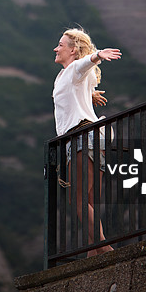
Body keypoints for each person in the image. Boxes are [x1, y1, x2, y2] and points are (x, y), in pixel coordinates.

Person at [53, 28, 121, 256]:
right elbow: (76, 84)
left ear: (73, 50)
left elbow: (83, 66)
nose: (56, 48)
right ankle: (95, 252)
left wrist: (98, 55)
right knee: (88, 200)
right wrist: (88, 94)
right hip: (91, 138)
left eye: (60, 45)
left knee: (78, 200)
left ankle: (105, 249)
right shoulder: (66, 76)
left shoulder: (74, 68)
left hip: (82, 137)